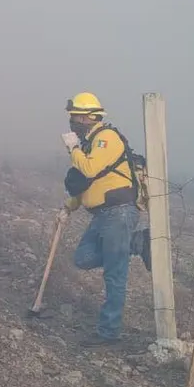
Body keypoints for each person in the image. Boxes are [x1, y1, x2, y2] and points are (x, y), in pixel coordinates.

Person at [60, 92, 142, 346]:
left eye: (76, 117)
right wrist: (68, 208)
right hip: (101, 215)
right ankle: (136, 244)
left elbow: (90, 169)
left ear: (90, 117)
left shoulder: (106, 139)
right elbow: (83, 183)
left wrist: (73, 148)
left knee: (114, 274)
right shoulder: (90, 144)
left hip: (118, 212)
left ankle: (109, 333)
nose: (72, 122)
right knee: (82, 258)